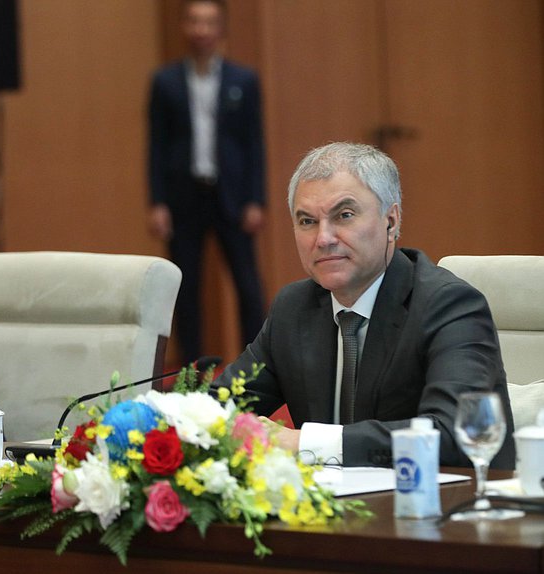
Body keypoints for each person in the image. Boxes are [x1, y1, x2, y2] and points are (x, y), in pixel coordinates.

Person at [218, 142, 515, 469]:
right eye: (307, 222)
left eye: (344, 215)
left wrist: (305, 443)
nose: (323, 238)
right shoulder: (294, 308)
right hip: (325, 513)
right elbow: (222, 404)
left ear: (391, 221)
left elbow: (453, 434)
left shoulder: (448, 306)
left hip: (438, 509)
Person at [148, 0, 266, 361]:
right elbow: (155, 145)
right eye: (195, 21)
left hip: (231, 196)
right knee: (186, 290)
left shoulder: (243, 80)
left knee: (248, 287)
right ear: (185, 26)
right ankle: (193, 370)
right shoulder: (165, 82)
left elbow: (254, 143)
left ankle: (257, 367)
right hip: (184, 197)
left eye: (209, 22)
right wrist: (157, 202)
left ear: (221, 29)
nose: (201, 30)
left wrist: (256, 200)